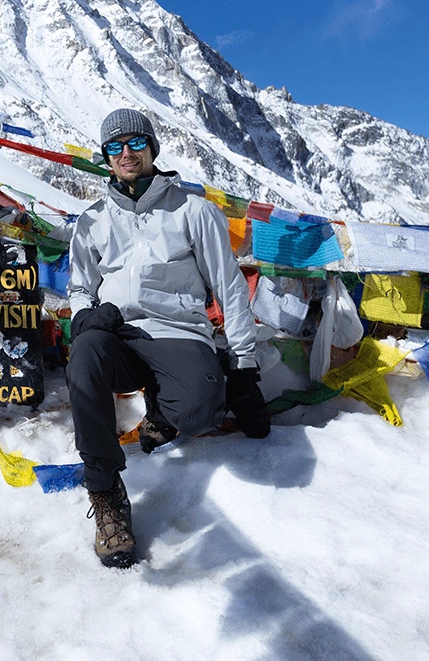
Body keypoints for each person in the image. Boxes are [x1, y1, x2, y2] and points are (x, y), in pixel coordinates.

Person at [66, 108, 268, 568]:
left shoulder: (193, 210)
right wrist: (84, 317)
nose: (126, 153)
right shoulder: (93, 219)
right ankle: (106, 493)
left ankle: (166, 408)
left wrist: (243, 363)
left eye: (135, 142)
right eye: (114, 147)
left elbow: (229, 284)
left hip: (177, 331)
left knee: (199, 408)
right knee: (85, 354)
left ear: (153, 148)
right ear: (105, 157)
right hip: (116, 332)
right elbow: (80, 286)